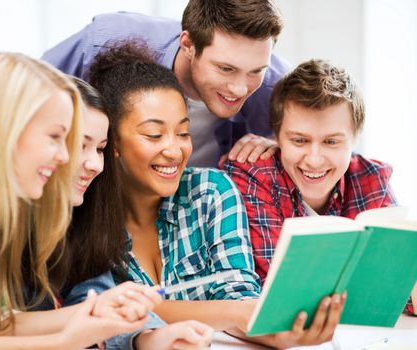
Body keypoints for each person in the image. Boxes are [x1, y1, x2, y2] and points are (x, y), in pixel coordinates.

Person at [0, 52, 164, 350]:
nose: (63, 156)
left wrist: (97, 310)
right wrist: (64, 342)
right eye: (56, 137)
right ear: (7, 127)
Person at [87, 41, 345, 348]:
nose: (174, 150)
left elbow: (239, 297)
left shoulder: (211, 192)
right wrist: (233, 314)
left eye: (183, 133)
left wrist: (278, 333)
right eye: (154, 135)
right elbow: (105, 311)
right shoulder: (86, 219)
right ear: (111, 140)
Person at [25, 76, 214, 350]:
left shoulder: (78, 218)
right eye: (79, 145)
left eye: (99, 149)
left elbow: (91, 294)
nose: (94, 165)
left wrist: (150, 338)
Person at [43, 0, 291, 168]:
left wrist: (284, 144)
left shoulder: (276, 84)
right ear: (188, 45)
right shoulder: (106, 42)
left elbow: (323, 135)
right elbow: (24, 101)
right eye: (226, 69)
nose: (239, 88)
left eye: (256, 71)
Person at [224, 59, 398, 284]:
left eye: (331, 142)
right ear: (276, 137)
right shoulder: (255, 177)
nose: (314, 160)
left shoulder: (372, 178)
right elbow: (281, 284)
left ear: (354, 139)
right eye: (299, 140)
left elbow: (403, 282)